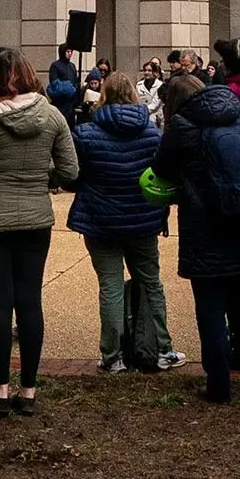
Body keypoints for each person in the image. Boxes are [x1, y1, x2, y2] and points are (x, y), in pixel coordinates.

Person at [0, 46, 77, 416]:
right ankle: (29, 390)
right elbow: (71, 172)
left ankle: (0, 389)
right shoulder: (53, 116)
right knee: (29, 301)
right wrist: (42, 176)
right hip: (35, 218)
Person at [153, 72, 240, 403]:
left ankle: (219, 383)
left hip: (206, 227)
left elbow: (161, 169)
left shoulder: (181, 126)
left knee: (210, 308)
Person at [70, 71, 173, 373]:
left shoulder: (86, 133)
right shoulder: (152, 134)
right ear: (133, 95)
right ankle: (162, 348)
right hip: (142, 219)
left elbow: (73, 176)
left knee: (110, 287)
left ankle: (112, 355)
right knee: (151, 282)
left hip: (100, 220)